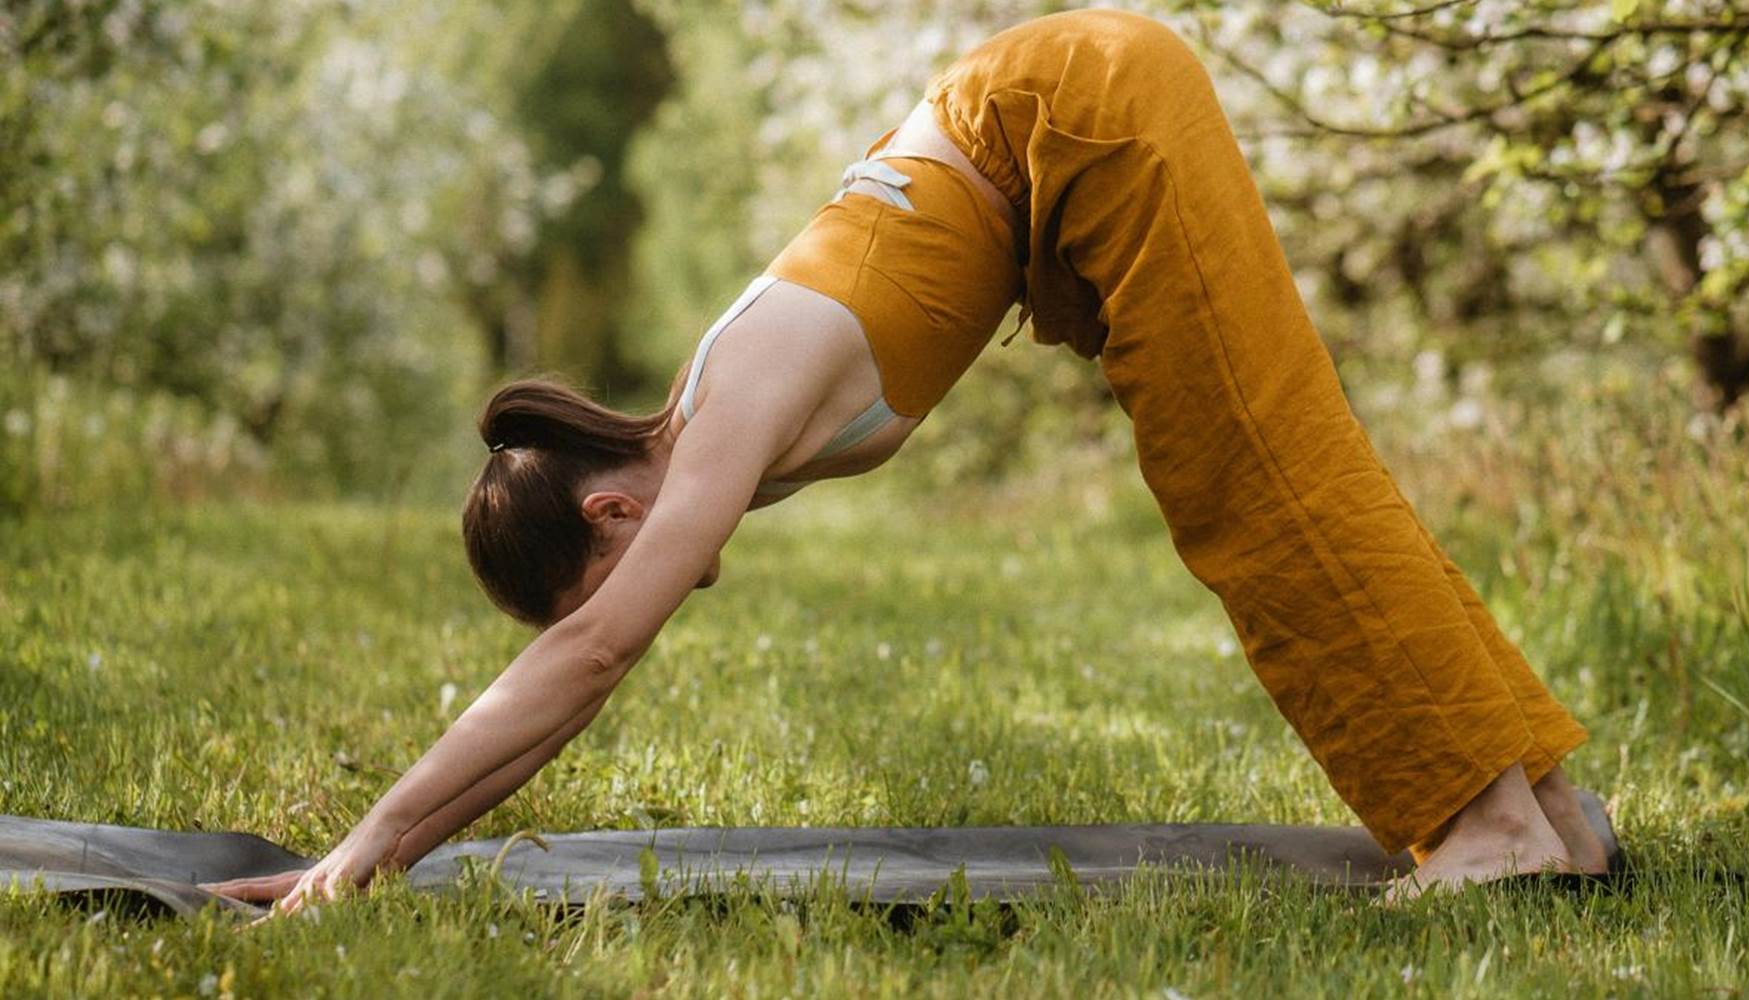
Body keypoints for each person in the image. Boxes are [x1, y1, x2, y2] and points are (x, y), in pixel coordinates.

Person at [207, 8, 1605, 911]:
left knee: (1257, 474)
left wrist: (363, 852)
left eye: (606, 579)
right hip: (1075, 123)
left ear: (612, 506)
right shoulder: (705, 417)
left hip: (1086, 115)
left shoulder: (721, 421)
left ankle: (1484, 822)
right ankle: (1533, 804)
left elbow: (584, 666)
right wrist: (377, 851)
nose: (659, 596)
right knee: (1275, 458)